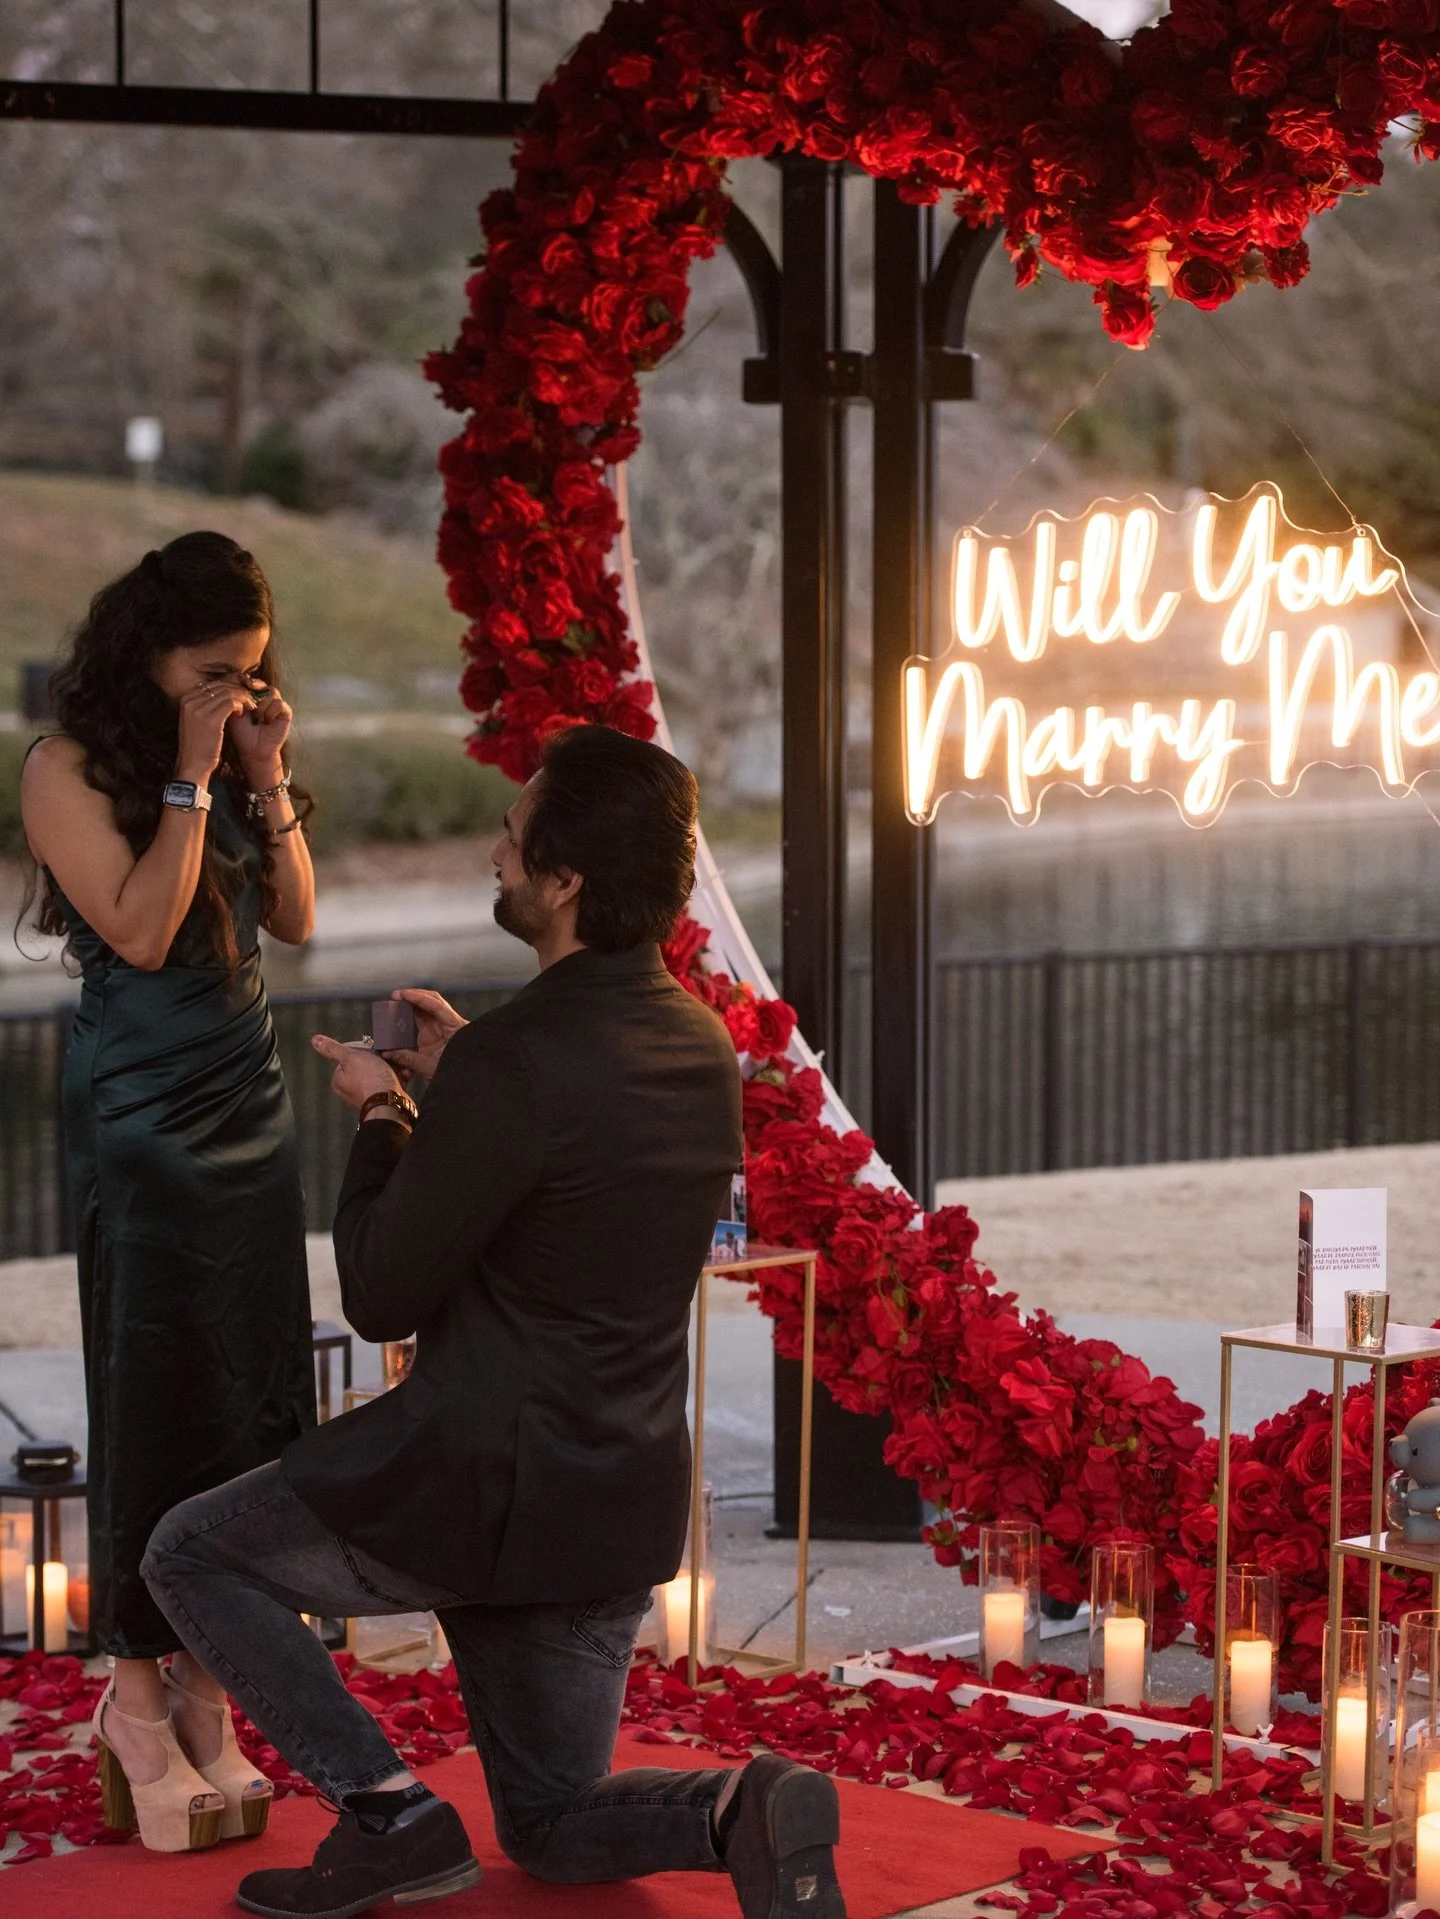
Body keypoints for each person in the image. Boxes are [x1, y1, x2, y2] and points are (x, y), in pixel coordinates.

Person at [142, 724, 846, 1919]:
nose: (495, 851)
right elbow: (567, 1178)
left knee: (190, 1550)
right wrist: (460, 1076)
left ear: (565, 879)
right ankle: (736, 1804)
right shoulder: (698, 1043)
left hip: (474, 1484)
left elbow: (380, 1292)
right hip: (613, 1495)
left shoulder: (515, 1065)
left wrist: (382, 1112)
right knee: (555, 1829)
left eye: (515, 841)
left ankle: (384, 1813)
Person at [19, 532, 317, 1853]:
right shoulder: (65, 765)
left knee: (253, 1389)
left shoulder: (229, 749)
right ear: (150, 653)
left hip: (247, 1095)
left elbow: (295, 917)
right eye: (213, 676)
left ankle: (206, 1686)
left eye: (250, 677)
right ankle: (131, 1700)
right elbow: (140, 929)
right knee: (153, 1382)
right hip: (141, 1111)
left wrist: (265, 777)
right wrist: (195, 779)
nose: (232, 695)